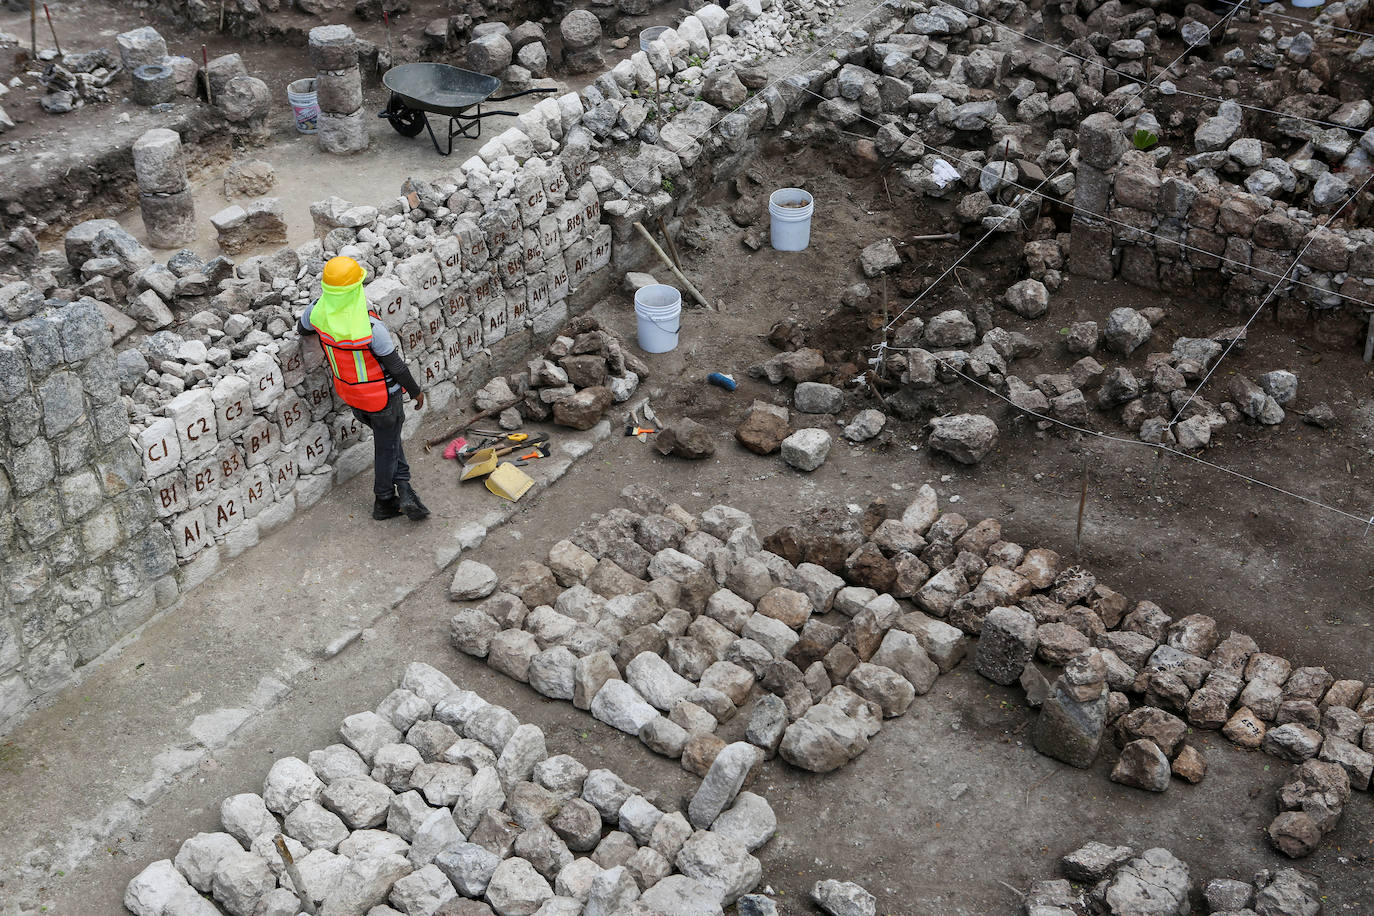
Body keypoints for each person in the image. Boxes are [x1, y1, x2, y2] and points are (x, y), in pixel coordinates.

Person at [298, 256, 430, 521]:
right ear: (356, 288)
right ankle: (384, 500)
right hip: (384, 400)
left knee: (388, 441)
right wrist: (416, 391)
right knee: (386, 447)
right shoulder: (370, 327)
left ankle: (404, 486)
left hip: (352, 397)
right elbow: (397, 367)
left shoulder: (316, 312)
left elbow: (303, 329)